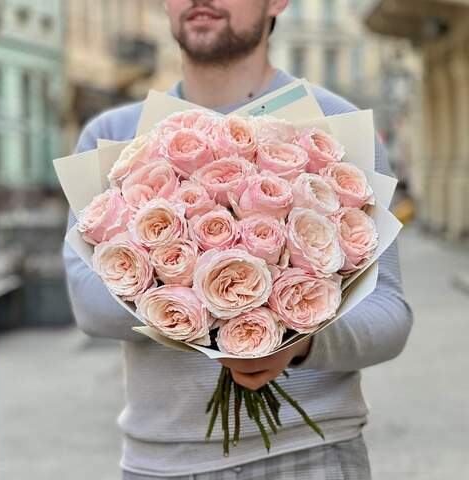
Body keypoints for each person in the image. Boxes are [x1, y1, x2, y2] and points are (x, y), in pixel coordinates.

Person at [63, 1, 413, 478]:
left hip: (310, 454)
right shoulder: (115, 137)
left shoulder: (333, 128)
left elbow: (389, 314)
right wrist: (220, 311)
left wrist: (297, 342)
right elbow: (88, 302)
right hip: (161, 461)